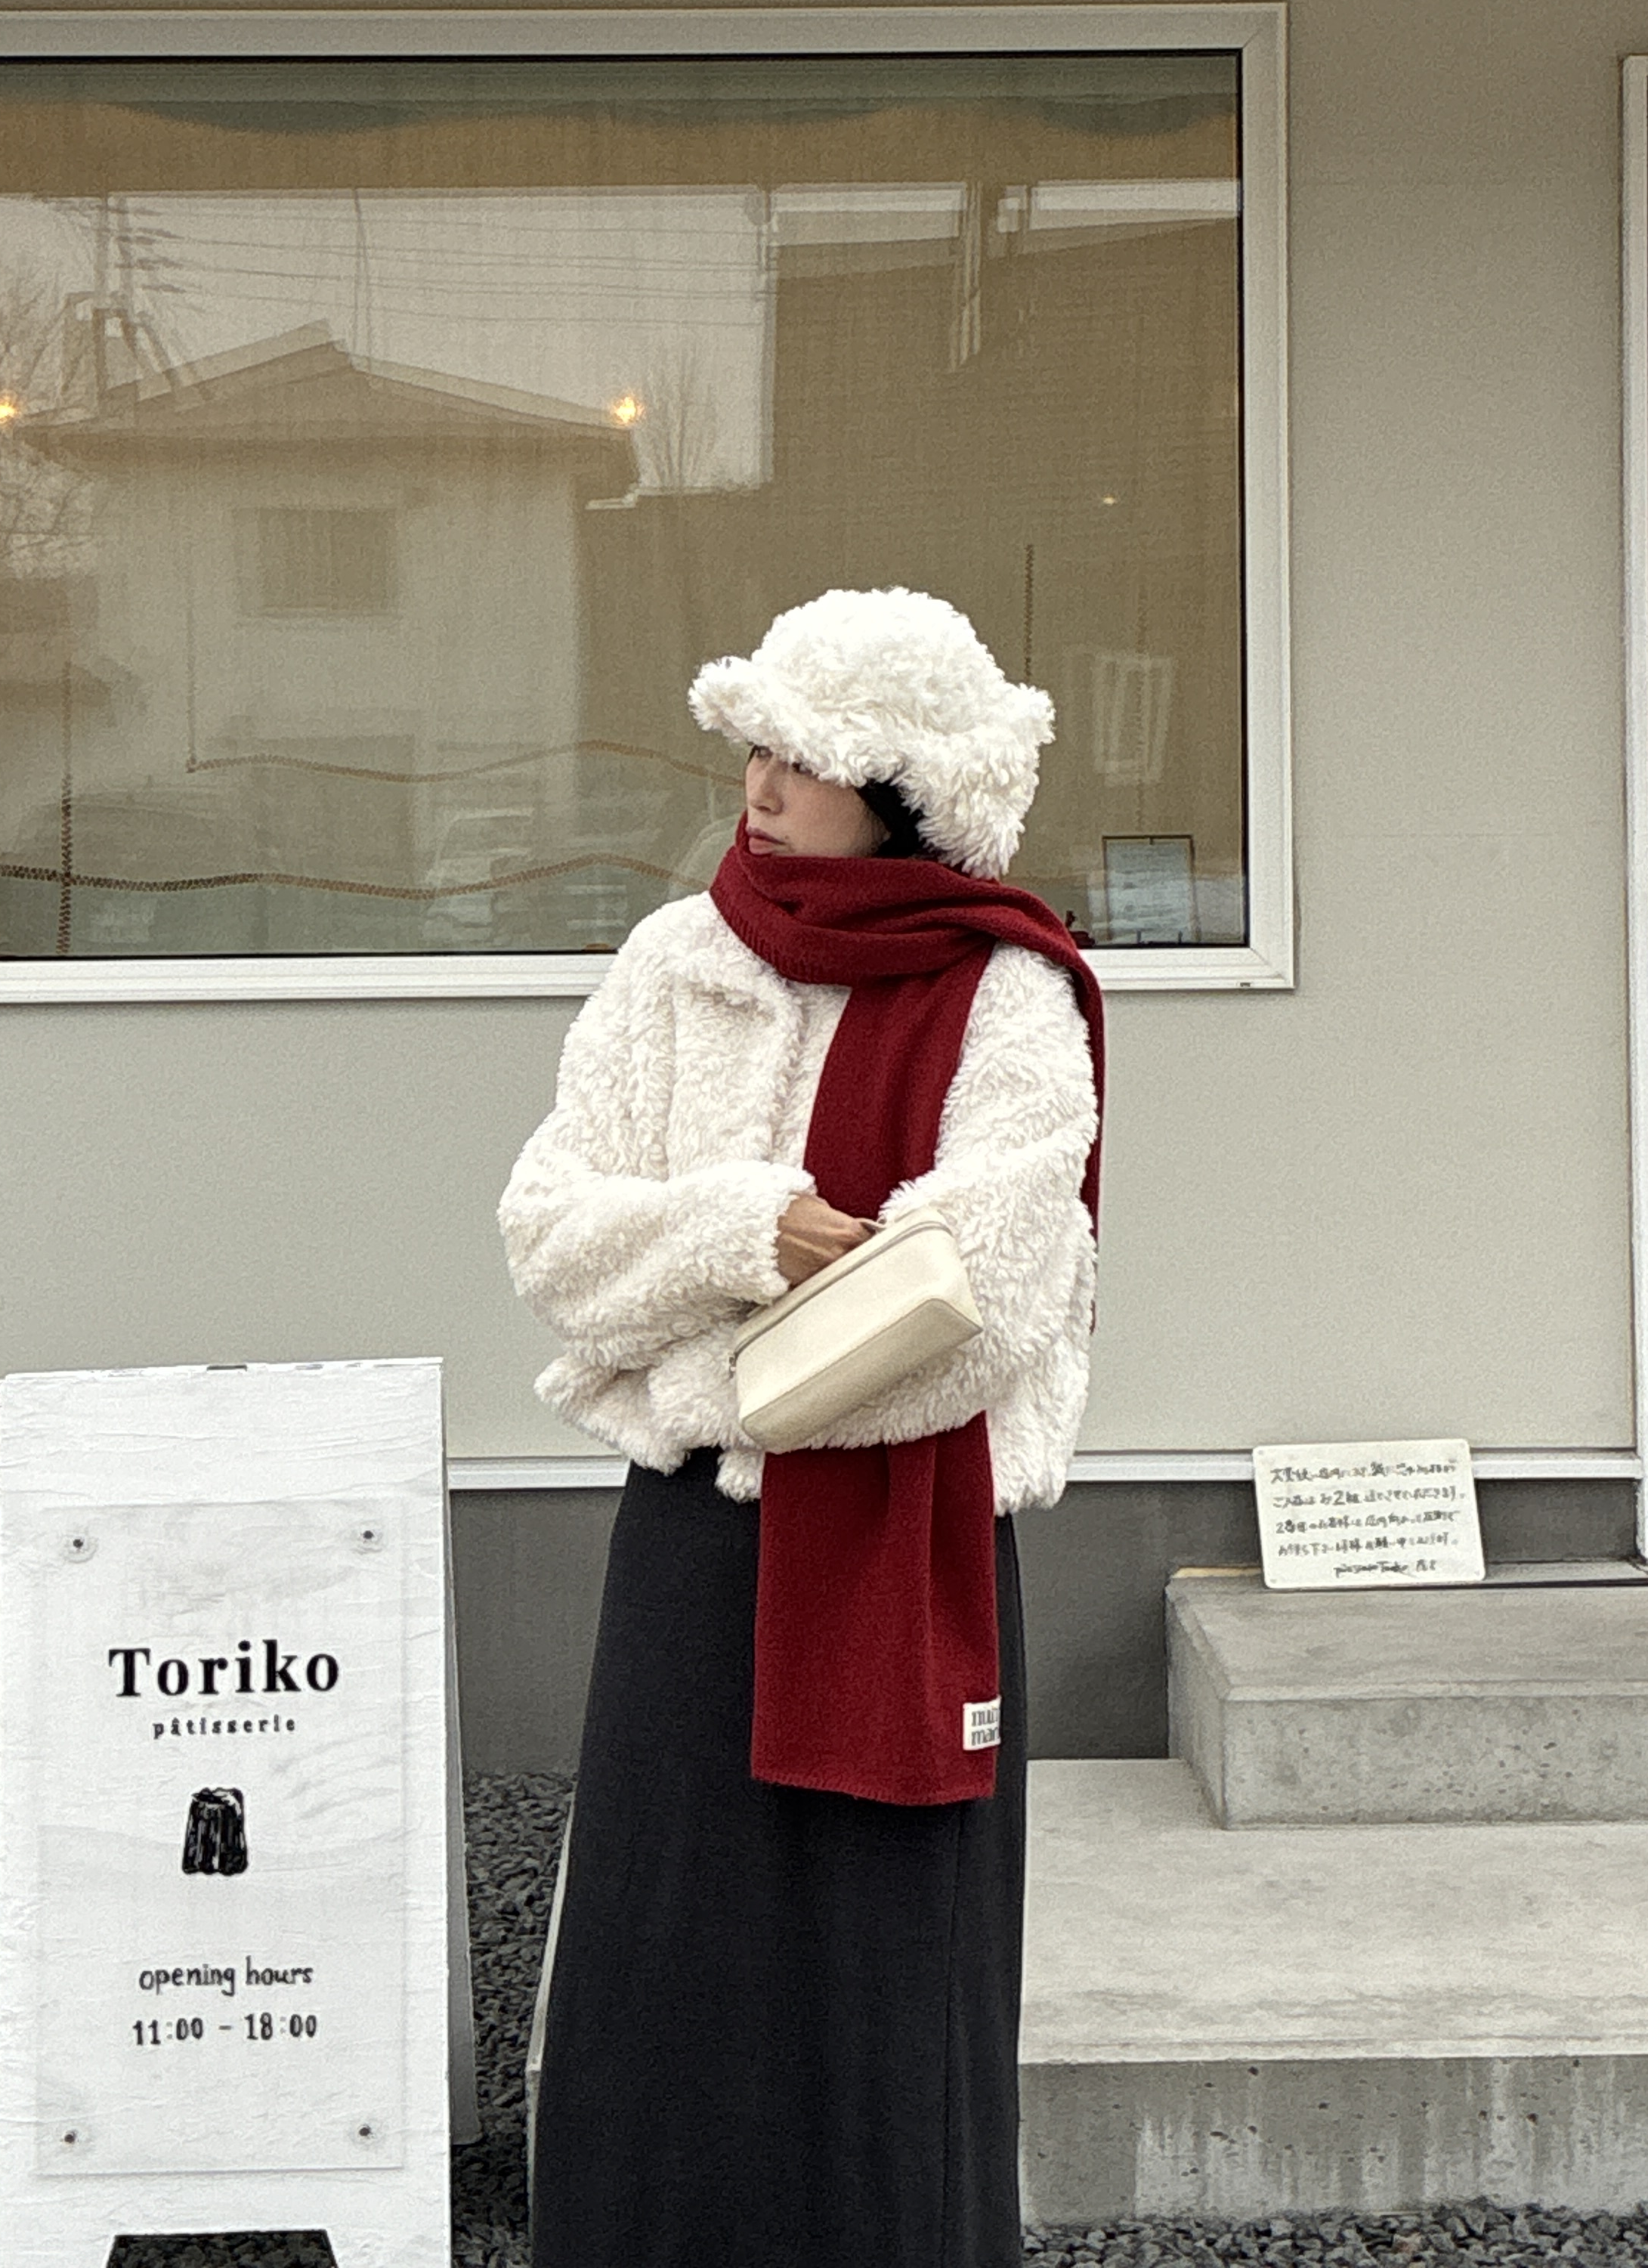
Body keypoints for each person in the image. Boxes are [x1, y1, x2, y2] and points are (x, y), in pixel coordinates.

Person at [501, 586, 1104, 2268]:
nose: (760, 786)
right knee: (667, 1946)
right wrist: (736, 1235)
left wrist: (696, 1380)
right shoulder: (675, 964)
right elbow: (552, 1241)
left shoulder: (1010, 993)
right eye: (754, 747)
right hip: (697, 1549)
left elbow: (980, 1303)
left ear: (901, 787)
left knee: (887, 1972)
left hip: (910, 1548)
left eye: (806, 759)